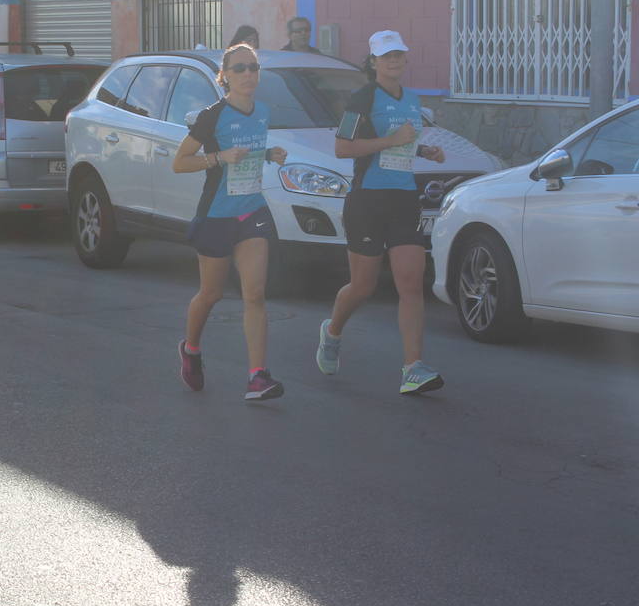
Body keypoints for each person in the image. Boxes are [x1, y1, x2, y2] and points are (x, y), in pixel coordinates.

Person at [317, 30, 447, 395]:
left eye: (399, 55)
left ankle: (413, 368)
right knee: (363, 286)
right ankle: (332, 331)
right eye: (387, 56)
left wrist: (425, 152)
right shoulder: (362, 97)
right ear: (373, 61)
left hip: (403, 197)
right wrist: (391, 140)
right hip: (368, 199)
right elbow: (343, 148)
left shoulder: (412, 98)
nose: (394, 61)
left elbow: (405, 142)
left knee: (411, 284)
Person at [172, 42, 289, 401]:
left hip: (251, 210)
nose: (248, 74)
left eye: (253, 67)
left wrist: (269, 154)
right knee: (211, 294)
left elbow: (249, 152)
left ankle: (257, 376)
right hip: (217, 215)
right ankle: (191, 348)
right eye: (239, 69)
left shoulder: (263, 111)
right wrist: (219, 157)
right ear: (225, 77)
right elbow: (180, 161)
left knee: (254, 293)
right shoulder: (212, 116)